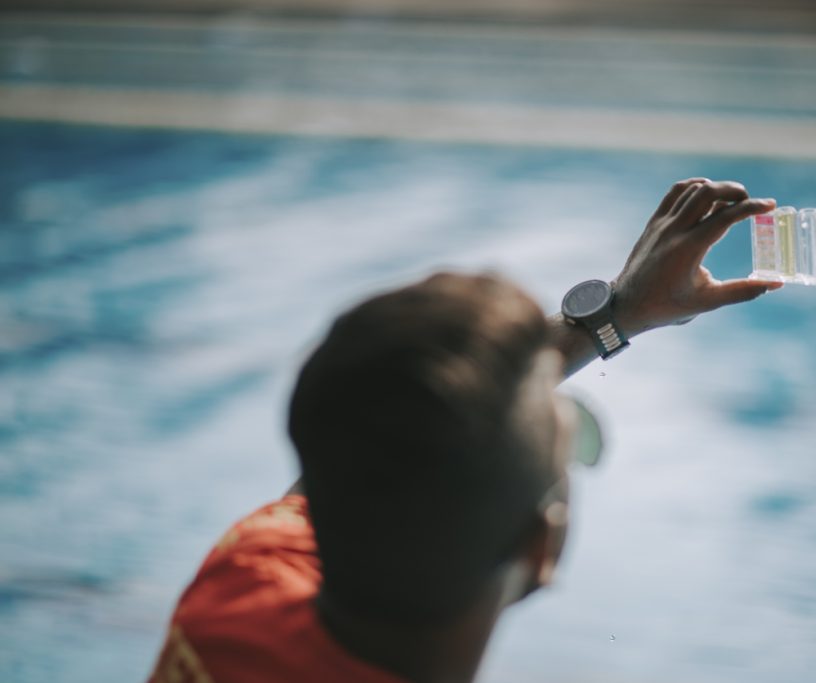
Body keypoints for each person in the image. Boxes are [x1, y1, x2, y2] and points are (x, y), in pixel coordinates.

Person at [148, 179, 782, 683]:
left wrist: (610, 315)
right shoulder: (251, 564)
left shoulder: (242, 580)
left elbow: (362, 452)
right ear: (543, 549)